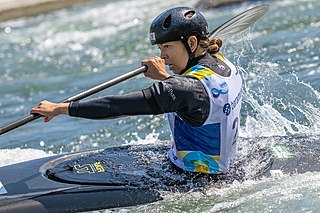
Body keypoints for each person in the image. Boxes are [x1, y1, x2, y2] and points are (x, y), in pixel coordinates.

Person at [31, 6, 242, 174]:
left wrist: (61, 108)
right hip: (224, 166)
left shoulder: (183, 90)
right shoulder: (220, 63)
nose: (162, 56)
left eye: (167, 47)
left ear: (192, 42)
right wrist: (167, 78)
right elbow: (195, 92)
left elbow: (117, 106)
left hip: (195, 178)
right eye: (160, 49)